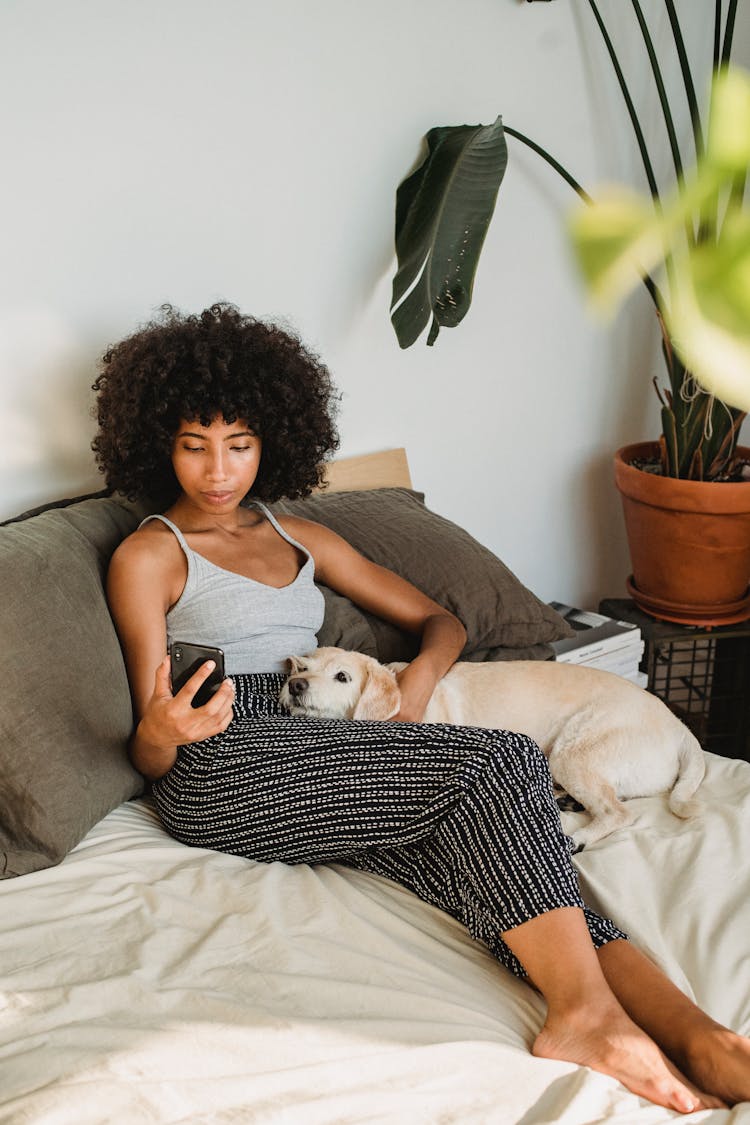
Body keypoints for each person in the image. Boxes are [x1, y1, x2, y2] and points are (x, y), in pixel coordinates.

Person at [94, 302, 749, 1113]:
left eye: (239, 444)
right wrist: (163, 731)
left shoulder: (303, 539)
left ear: (270, 441)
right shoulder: (149, 554)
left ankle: (695, 1034)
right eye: (194, 446)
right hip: (224, 754)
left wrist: (416, 687)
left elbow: (443, 624)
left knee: (501, 864)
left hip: (325, 746)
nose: (218, 470)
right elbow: (151, 750)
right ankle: (583, 1015)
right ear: (160, 442)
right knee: (500, 758)